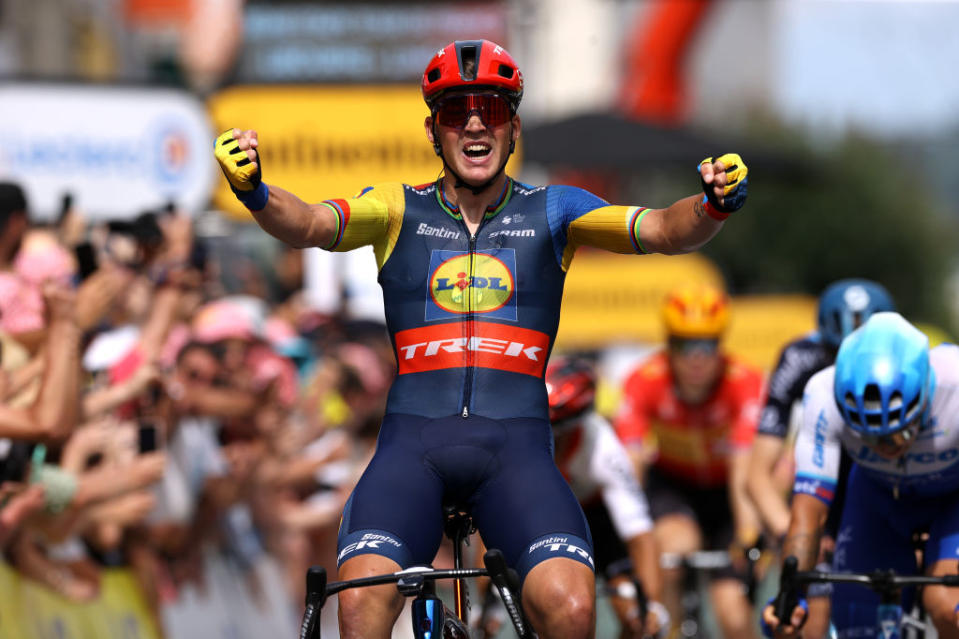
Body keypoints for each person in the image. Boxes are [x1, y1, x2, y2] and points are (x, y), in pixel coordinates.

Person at [214, 39, 749, 639]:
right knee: (360, 609)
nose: (474, 123)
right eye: (454, 111)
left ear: (513, 127)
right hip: (412, 447)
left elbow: (662, 230)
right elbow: (310, 222)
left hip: (515, 450)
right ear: (432, 130)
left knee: (572, 610)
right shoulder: (396, 209)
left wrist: (712, 207)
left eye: (491, 110)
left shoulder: (555, 210)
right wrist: (256, 192)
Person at [762, 312, 959, 639]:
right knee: (859, 626)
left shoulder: (955, 384)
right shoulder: (823, 394)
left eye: (901, 433)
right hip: (877, 498)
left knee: (946, 605)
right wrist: (790, 594)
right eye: (868, 437)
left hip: (954, 500)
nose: (887, 448)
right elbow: (809, 512)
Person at [614, 282, 763, 639]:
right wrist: (631, 531)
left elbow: (745, 471)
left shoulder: (745, 382)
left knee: (732, 610)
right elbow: (630, 468)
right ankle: (671, 629)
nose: (696, 357)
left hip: (729, 490)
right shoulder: (642, 380)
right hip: (673, 486)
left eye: (708, 344)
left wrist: (747, 533)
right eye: (684, 344)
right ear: (668, 344)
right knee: (673, 549)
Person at [746, 279, 894, 638]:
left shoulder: (906, 357)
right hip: (819, 484)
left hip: (882, 483)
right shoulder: (798, 358)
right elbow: (758, 476)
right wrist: (789, 534)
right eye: (835, 356)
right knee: (809, 607)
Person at [546, 356, 667, 639]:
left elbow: (640, 535)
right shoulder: (521, 442)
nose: (552, 439)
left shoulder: (603, 448)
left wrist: (651, 606)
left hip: (600, 520)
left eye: (558, 430)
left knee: (637, 619)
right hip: (550, 518)